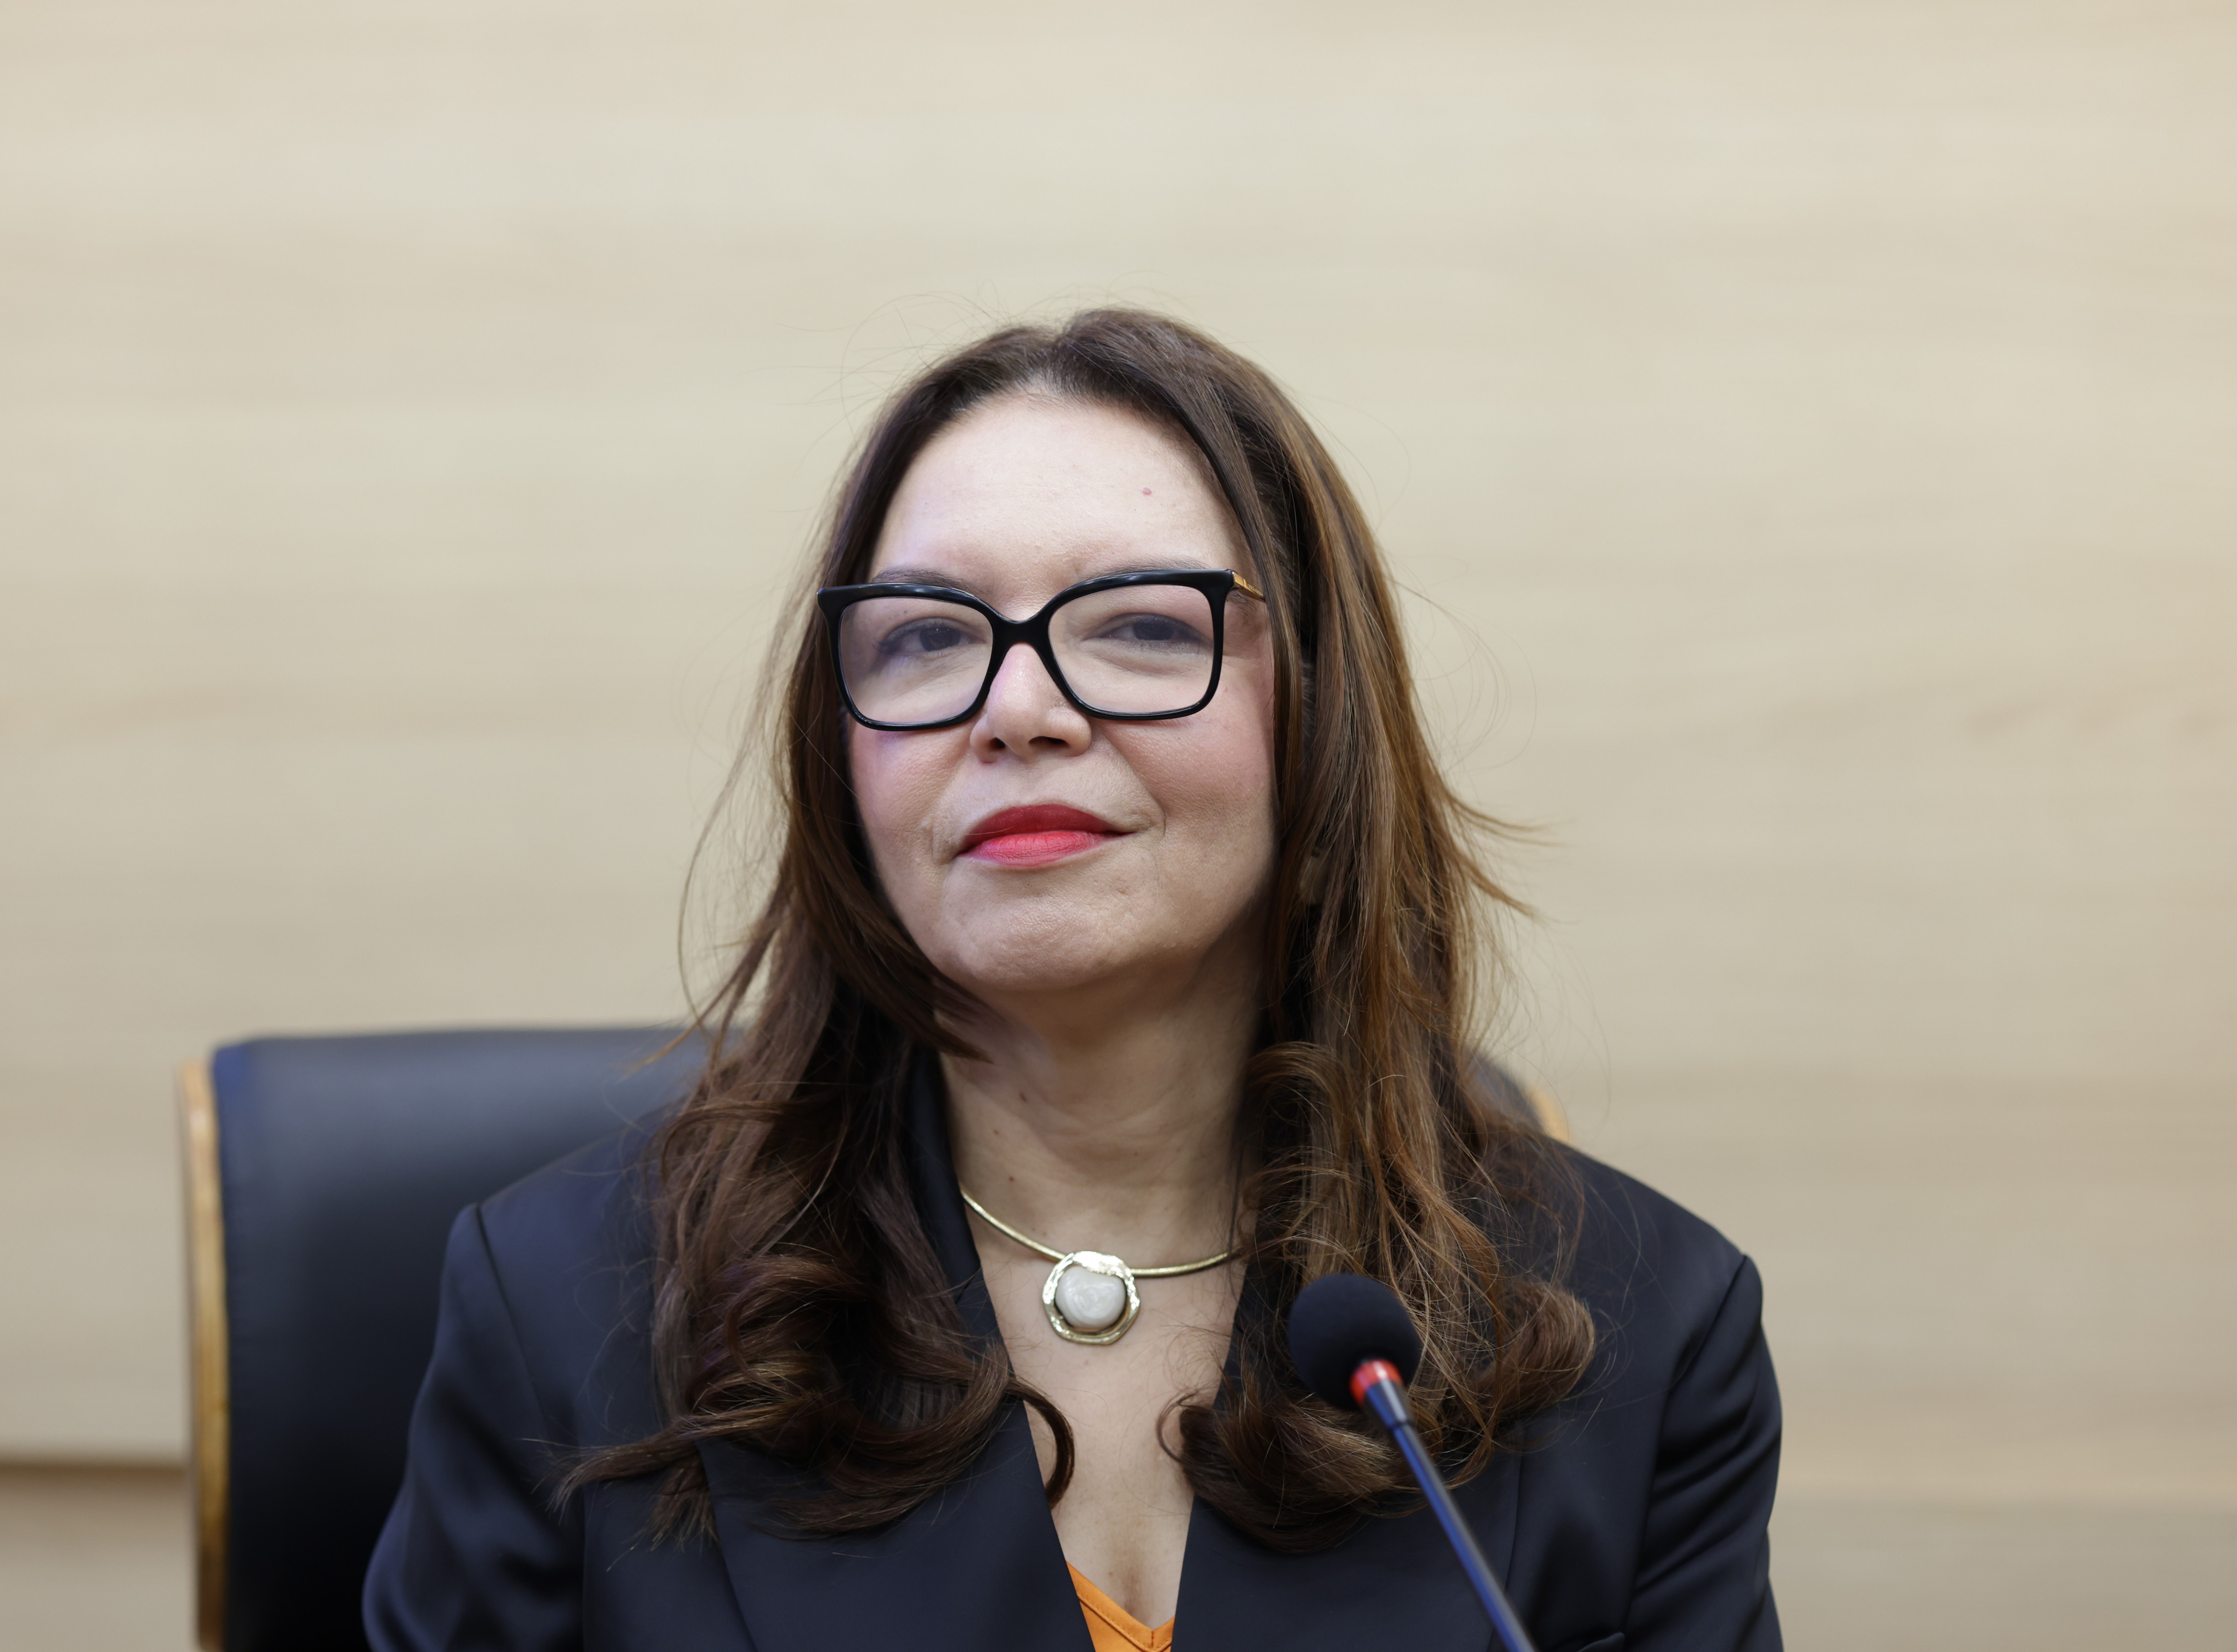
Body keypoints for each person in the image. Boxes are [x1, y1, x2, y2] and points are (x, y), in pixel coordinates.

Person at [364, 310, 1782, 1652]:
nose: (1019, 709)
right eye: (926, 637)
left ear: (1320, 718)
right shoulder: (562, 1310)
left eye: (1143, 626)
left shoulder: (1650, 1330)